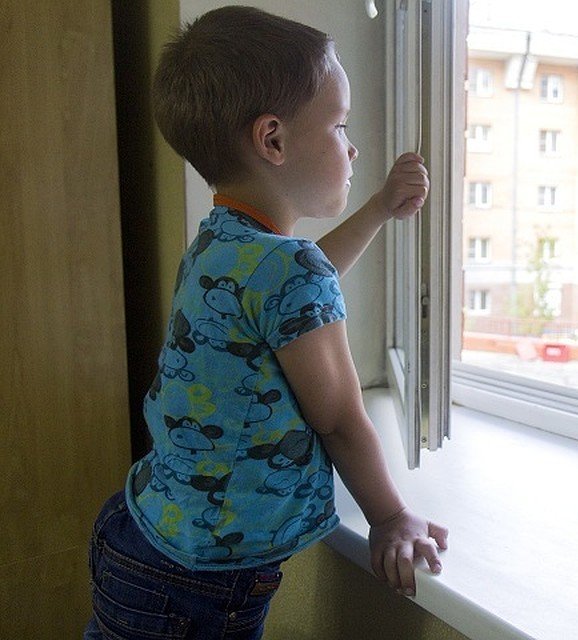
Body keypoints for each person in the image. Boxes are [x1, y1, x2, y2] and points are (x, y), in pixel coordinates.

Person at [85, 6, 448, 639]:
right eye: (339, 125)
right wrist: (390, 517)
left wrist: (377, 208)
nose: (353, 147)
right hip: (197, 585)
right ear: (273, 140)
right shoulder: (287, 268)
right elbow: (339, 419)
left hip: (139, 534)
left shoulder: (219, 243)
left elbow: (296, 297)